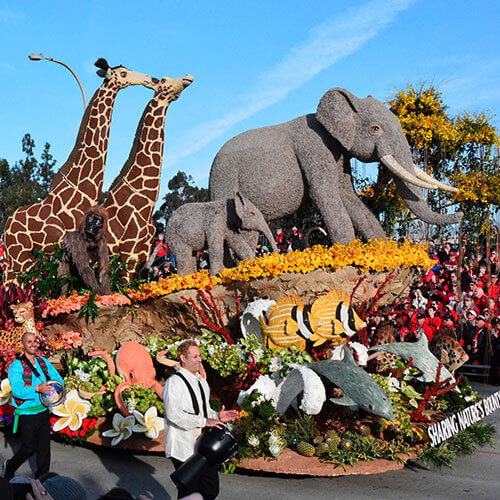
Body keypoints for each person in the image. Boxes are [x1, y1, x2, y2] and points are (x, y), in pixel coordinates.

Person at [163, 340, 239, 500]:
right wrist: (205, 422)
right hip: (182, 447)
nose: (200, 359)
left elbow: (203, 412)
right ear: (183, 358)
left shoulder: (201, 381)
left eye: (200, 356)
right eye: (195, 356)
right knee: (189, 494)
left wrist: (218, 416)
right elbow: (173, 414)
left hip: (202, 446)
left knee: (210, 490)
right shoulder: (174, 383)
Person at [3, 333, 65, 481]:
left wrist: (59, 391)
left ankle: (42, 481)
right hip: (27, 413)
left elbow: (57, 378)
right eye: (28, 341)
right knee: (29, 448)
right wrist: (38, 389)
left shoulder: (43, 361)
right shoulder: (16, 366)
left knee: (44, 448)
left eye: (34, 341)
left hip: (43, 411)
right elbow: (17, 389)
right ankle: (10, 467)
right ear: (23, 345)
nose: (33, 344)